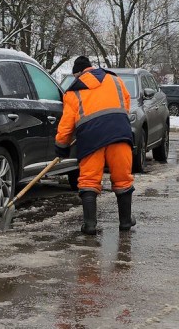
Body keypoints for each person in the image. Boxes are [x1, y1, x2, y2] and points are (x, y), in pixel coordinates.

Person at [55, 56, 136, 235]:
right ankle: (125, 221)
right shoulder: (115, 80)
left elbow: (67, 124)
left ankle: (90, 225)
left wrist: (61, 146)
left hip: (91, 138)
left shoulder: (73, 92)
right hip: (119, 132)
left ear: (77, 74)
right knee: (122, 177)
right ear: (91, 68)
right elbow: (126, 103)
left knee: (89, 180)